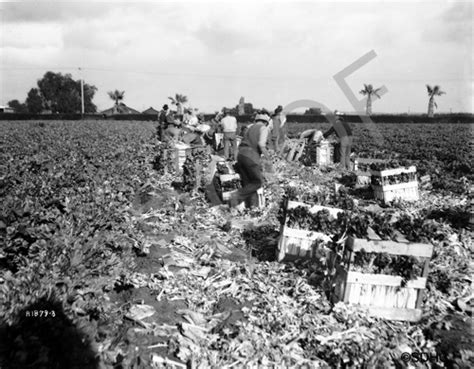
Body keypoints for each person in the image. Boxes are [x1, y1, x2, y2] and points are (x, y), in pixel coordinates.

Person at [230, 113, 272, 208]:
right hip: (251, 157)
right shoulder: (263, 128)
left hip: (241, 156)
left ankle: (252, 209)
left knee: (249, 185)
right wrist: (268, 158)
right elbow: (261, 144)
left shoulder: (249, 128)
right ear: (266, 122)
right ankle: (235, 195)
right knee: (257, 182)